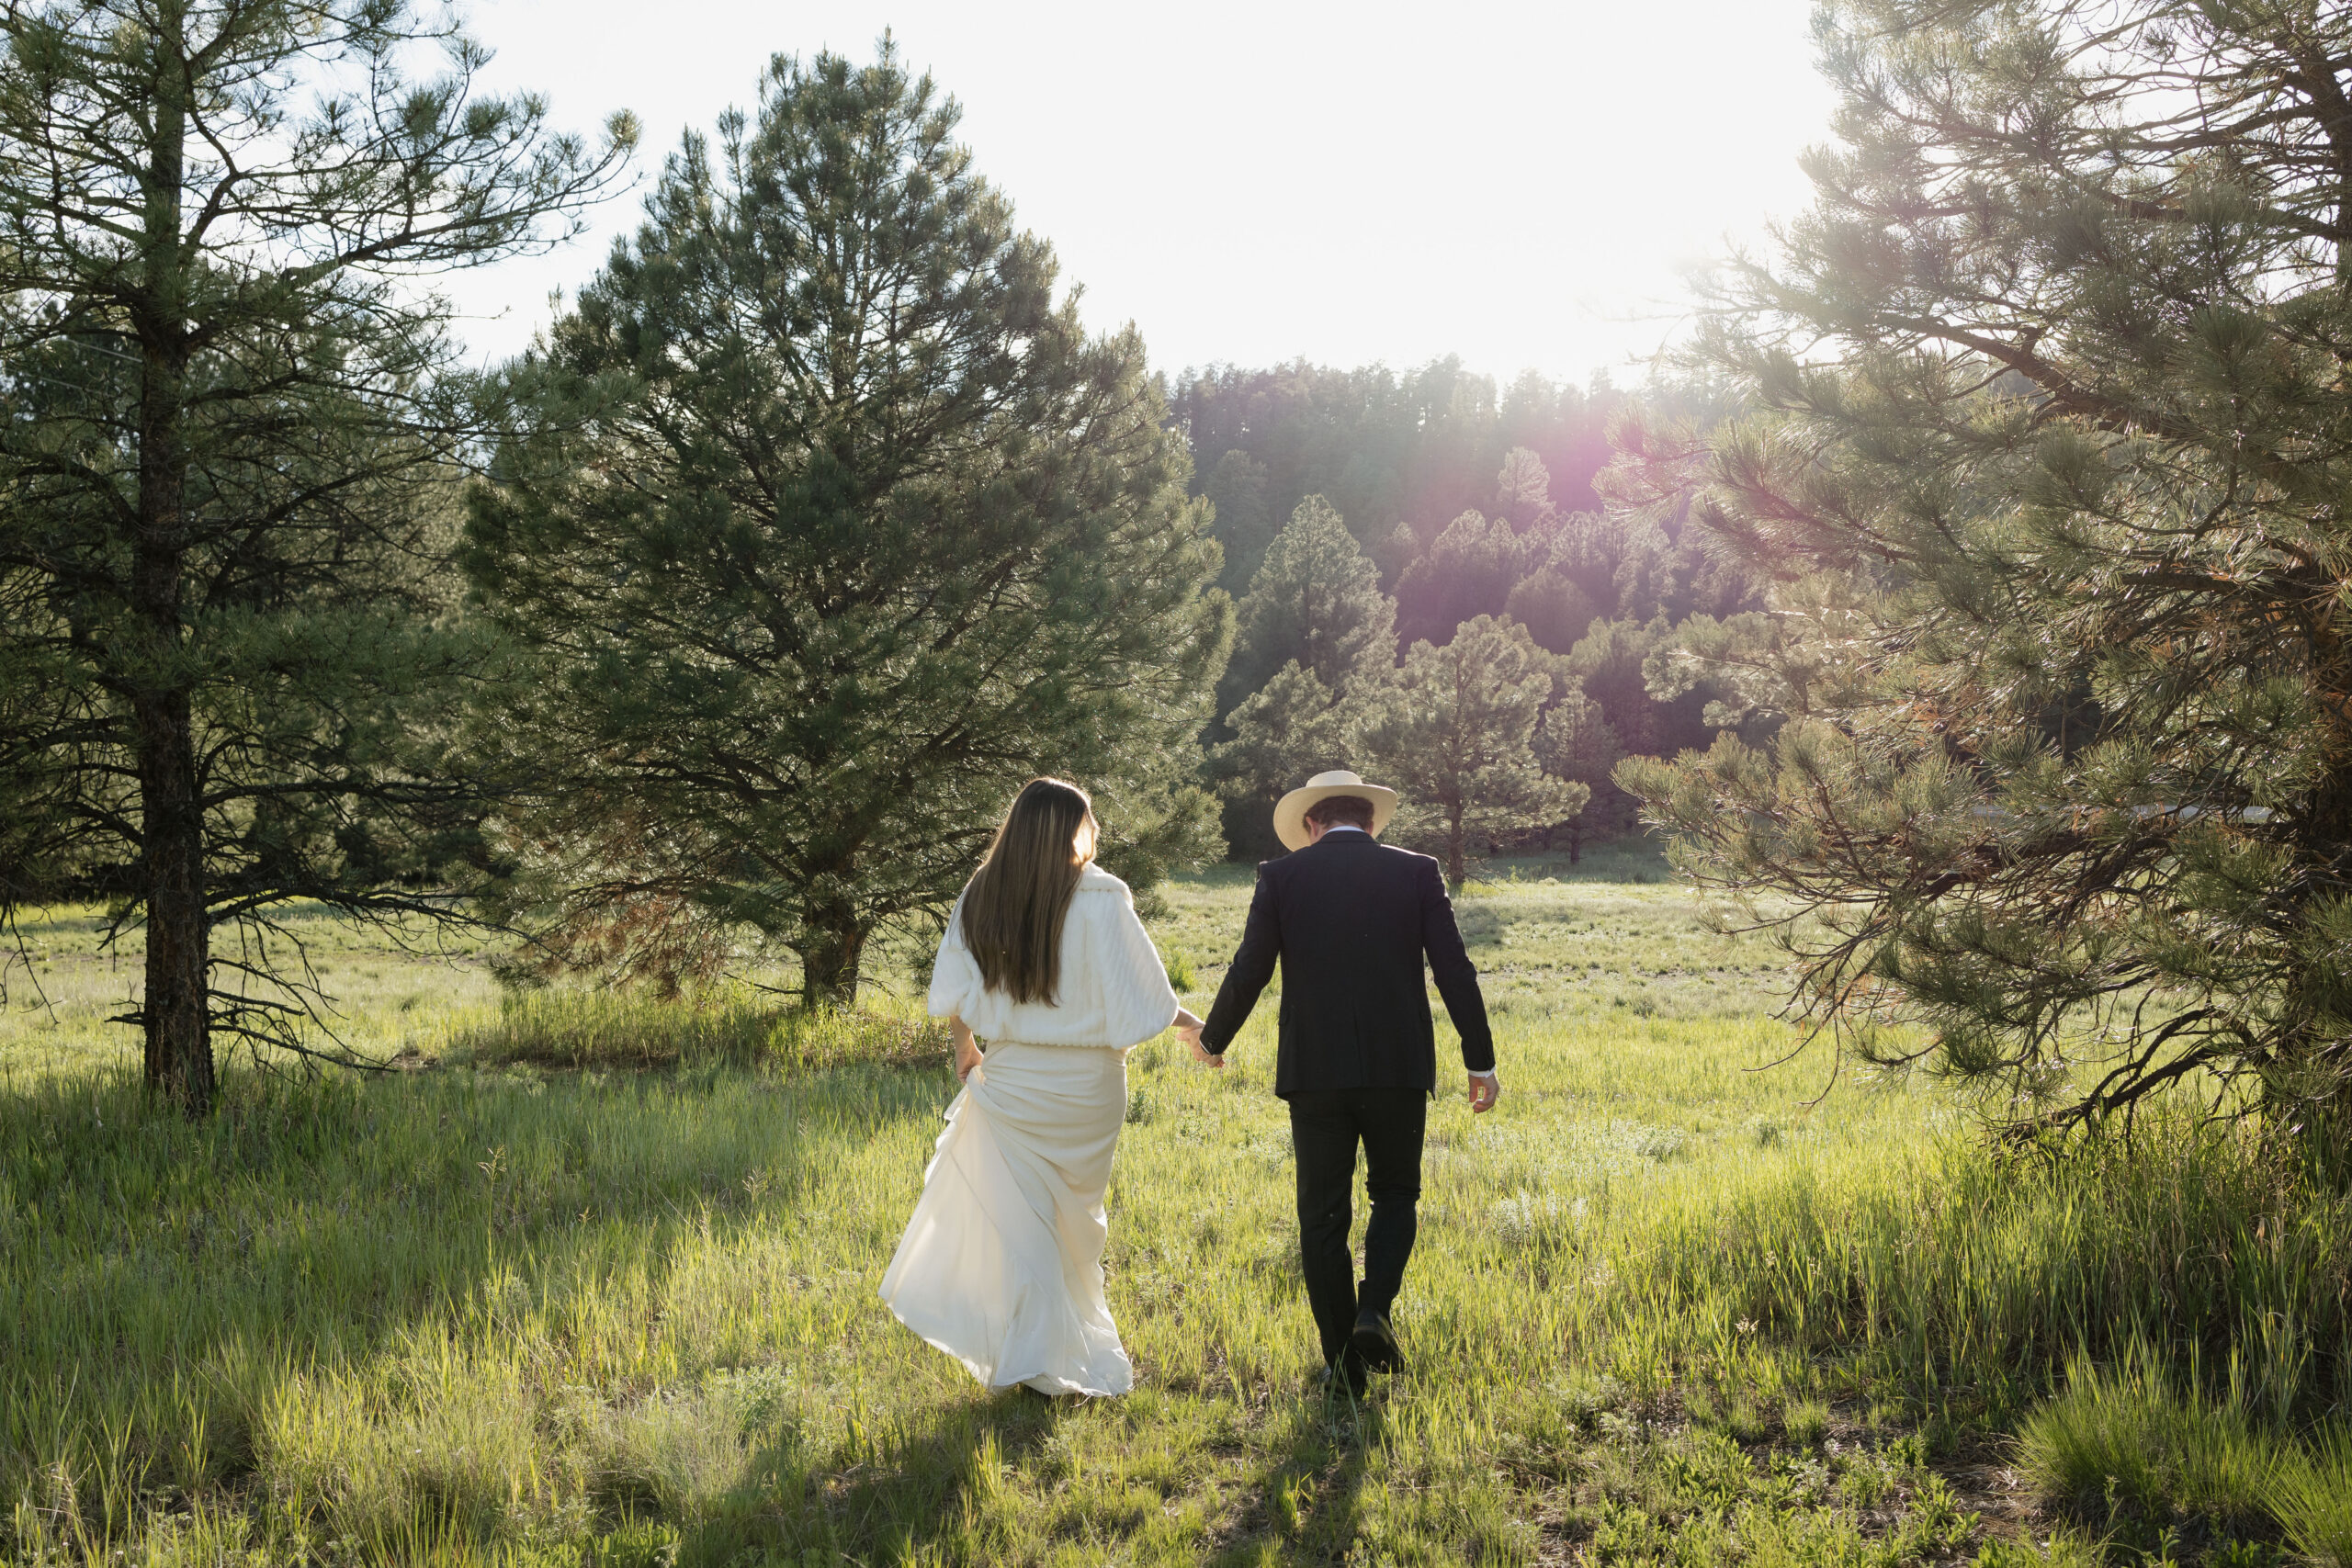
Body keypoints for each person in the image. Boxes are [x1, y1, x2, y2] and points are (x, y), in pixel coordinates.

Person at [1180, 769, 1498, 1396]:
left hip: (1315, 1071)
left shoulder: (1281, 876)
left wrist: (1213, 1039)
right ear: (1371, 821)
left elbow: (1251, 967)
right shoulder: (1417, 871)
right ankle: (1374, 1308)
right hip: (1398, 1067)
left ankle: (1342, 1364)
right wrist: (1479, 1059)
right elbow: (1454, 969)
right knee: (1396, 1193)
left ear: (1310, 825)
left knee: (1321, 1216)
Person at [881, 777, 1203, 1396]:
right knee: (1070, 1226)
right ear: (1072, 828)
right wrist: (1189, 1024)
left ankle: (1032, 1355)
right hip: (1089, 1088)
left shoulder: (984, 893)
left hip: (1014, 1082)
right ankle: (1041, 1355)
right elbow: (1143, 992)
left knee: (1024, 1228)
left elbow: (953, 984)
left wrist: (966, 1048)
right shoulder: (1104, 894)